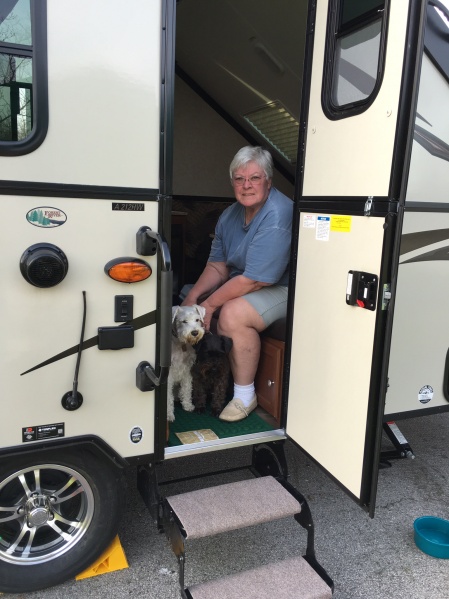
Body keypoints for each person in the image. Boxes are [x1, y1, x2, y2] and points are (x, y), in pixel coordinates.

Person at [182, 146, 293, 421]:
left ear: (268, 180)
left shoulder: (277, 214)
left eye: (255, 178)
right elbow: (217, 265)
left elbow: (255, 280)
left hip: (282, 288)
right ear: (232, 182)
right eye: (239, 179)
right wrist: (193, 299)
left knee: (230, 313)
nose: (246, 186)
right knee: (187, 299)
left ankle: (245, 395)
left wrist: (208, 305)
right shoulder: (230, 214)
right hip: (248, 283)